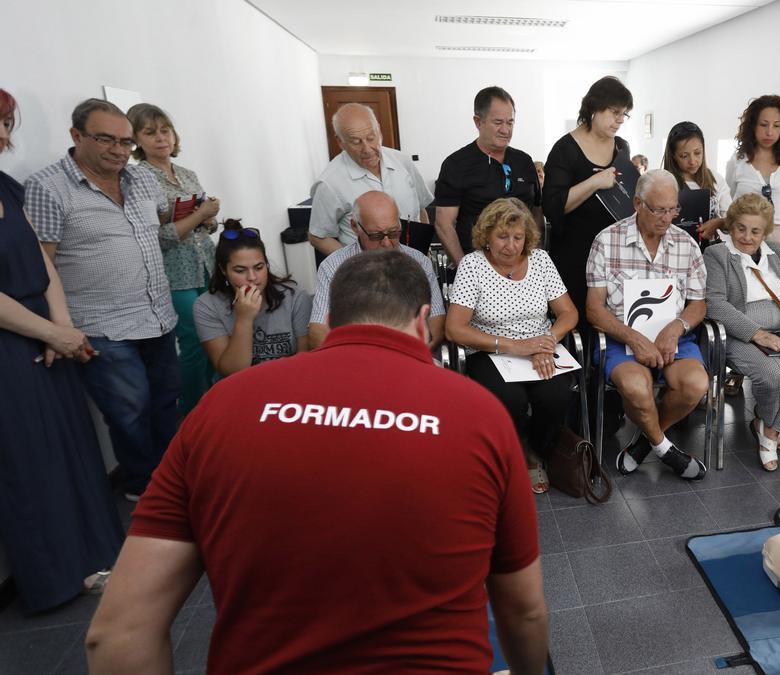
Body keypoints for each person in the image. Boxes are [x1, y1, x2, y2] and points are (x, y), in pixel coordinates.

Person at [86, 249, 549, 674]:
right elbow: (523, 609)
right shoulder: (477, 412)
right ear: (423, 320)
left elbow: (116, 636)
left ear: (329, 319)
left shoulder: (223, 405)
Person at [0, 88, 123, 613]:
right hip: (9, 345)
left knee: (74, 450)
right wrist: (50, 333)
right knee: (27, 463)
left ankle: (94, 560)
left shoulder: (6, 187)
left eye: (6, 124)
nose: (4, 136)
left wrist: (62, 326)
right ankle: (53, 578)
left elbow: (41, 260)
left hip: (46, 331)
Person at [25, 98, 180, 502]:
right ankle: (143, 489)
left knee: (166, 403)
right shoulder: (48, 187)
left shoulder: (142, 179)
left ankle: (173, 480)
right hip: (103, 327)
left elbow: (155, 230)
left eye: (126, 142)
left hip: (158, 316)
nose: (119, 150)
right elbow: (43, 266)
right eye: (106, 139)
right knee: (129, 413)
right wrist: (59, 327)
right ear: (76, 136)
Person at [446, 198, 578, 494]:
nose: (511, 245)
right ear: (487, 237)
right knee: (510, 399)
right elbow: (454, 329)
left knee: (556, 395)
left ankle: (535, 446)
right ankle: (517, 450)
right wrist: (513, 346)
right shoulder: (473, 265)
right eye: (502, 237)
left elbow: (569, 313)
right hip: (490, 351)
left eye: (518, 237)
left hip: (540, 347)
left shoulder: (541, 260)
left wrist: (547, 342)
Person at [586, 170, 708, 481]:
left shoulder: (686, 244)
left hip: (674, 337)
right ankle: (666, 449)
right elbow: (594, 310)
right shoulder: (607, 240)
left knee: (696, 385)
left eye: (673, 209)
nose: (668, 218)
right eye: (659, 210)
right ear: (637, 203)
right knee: (636, 387)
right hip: (621, 338)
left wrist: (677, 327)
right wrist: (636, 339)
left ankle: (647, 441)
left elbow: (698, 304)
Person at [703, 193, 780, 471]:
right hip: (739, 334)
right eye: (740, 228)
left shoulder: (776, 252)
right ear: (730, 226)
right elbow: (715, 304)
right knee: (774, 374)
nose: (747, 237)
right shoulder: (717, 255)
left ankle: (768, 428)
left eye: (755, 231)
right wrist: (757, 333)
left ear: (765, 232)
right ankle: (773, 432)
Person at [128, 102, 220, 416]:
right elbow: (158, 238)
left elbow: (207, 221)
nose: (160, 138)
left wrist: (209, 218)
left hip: (206, 263)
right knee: (194, 341)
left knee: (216, 334)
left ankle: (214, 400)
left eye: (164, 130)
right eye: (150, 133)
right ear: (137, 140)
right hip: (175, 274)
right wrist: (199, 217)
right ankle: (191, 412)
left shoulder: (186, 174)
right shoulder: (139, 179)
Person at [544, 75, 635, 314]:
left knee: (613, 317)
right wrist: (594, 182)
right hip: (576, 252)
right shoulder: (565, 149)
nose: (619, 121)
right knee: (580, 322)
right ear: (594, 107)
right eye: (615, 112)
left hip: (614, 254)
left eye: (624, 114)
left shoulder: (621, 146)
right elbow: (553, 207)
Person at [308, 191, 444, 350]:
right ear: (354, 226)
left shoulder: (420, 262)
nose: (386, 243)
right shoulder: (332, 266)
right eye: (376, 236)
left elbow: (436, 326)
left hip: (409, 356)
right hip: (354, 361)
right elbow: (318, 332)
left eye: (394, 233)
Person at [434, 86, 542, 265]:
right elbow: (444, 224)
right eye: (498, 122)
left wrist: (534, 258)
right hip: (479, 264)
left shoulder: (524, 161)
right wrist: (466, 270)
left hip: (523, 265)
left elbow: (537, 212)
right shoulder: (456, 165)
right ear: (478, 122)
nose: (506, 130)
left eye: (510, 122)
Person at [308, 103, 433, 256]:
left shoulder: (402, 162)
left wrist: (423, 253)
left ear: (379, 131)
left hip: (413, 262)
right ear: (340, 141)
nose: (367, 149)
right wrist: (353, 263)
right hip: (366, 271)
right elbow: (318, 236)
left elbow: (420, 210)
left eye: (371, 138)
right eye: (356, 142)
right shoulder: (330, 183)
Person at [193, 220, 312, 376]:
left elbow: (304, 363)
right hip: (240, 388)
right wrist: (244, 319)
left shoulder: (295, 297)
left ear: (266, 265)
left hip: (287, 385)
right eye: (240, 270)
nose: (252, 277)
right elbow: (231, 372)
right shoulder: (207, 305)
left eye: (259, 267)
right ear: (223, 270)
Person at [725, 94, 780, 268]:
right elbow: (730, 200)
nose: (769, 132)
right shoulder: (737, 161)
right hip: (745, 235)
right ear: (752, 126)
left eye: (776, 126)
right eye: (763, 125)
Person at [662, 121, 731, 245]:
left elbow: (733, 220)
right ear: (673, 156)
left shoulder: (716, 179)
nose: (692, 161)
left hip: (710, 250)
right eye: (684, 156)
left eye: (697, 153)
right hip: (675, 249)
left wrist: (718, 223)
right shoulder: (664, 182)